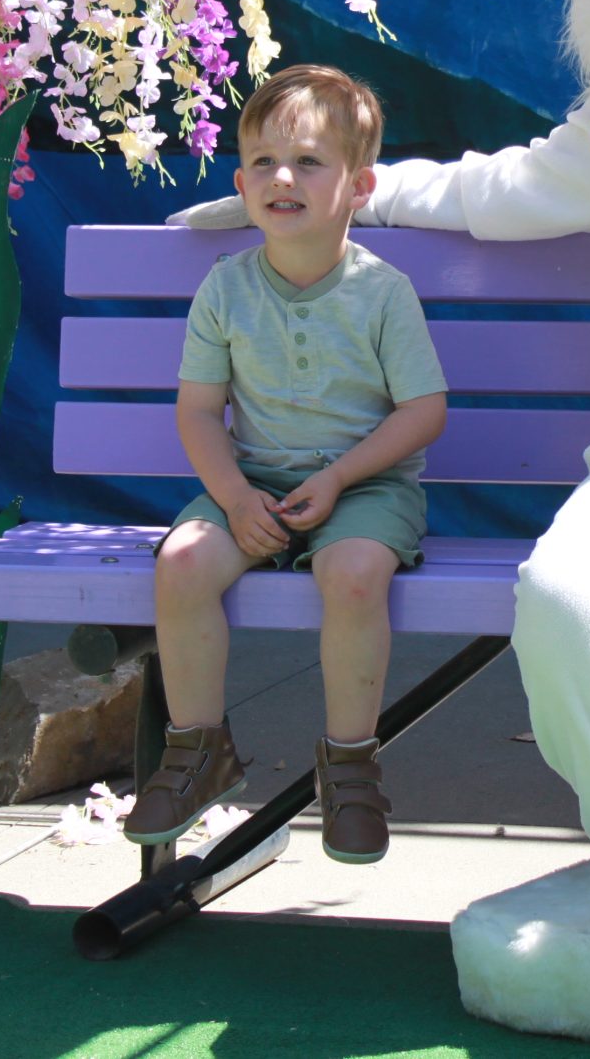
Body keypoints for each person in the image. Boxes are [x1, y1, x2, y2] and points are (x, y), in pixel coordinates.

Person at [126, 65, 450, 866]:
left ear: (359, 185)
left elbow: (423, 411)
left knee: (352, 575)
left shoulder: (383, 292)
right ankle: (198, 750)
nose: (282, 178)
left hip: (364, 487)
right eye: (264, 162)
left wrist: (338, 478)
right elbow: (198, 412)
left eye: (308, 161)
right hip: (254, 484)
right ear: (240, 184)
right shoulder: (226, 288)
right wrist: (235, 497)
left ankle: (350, 766)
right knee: (182, 562)